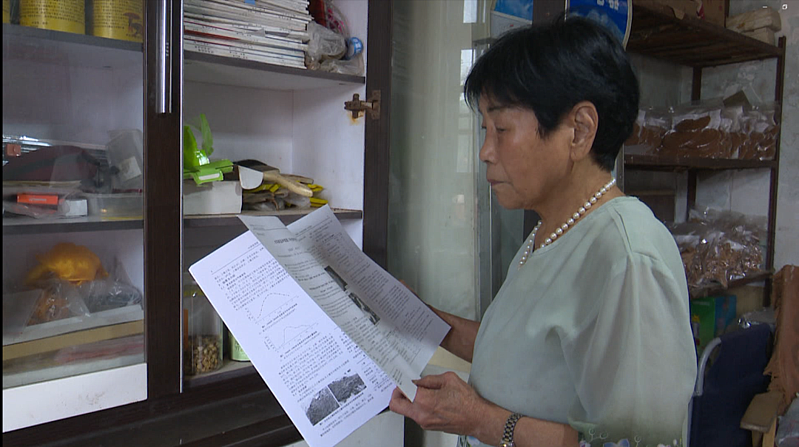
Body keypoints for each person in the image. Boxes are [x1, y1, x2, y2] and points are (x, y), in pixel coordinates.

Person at [388, 14, 697, 447]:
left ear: (579, 131)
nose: (485, 152)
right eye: (484, 130)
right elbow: (522, 353)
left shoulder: (626, 255)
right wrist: (417, 317)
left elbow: (636, 443)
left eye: (501, 129)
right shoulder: (550, 233)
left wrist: (480, 420)